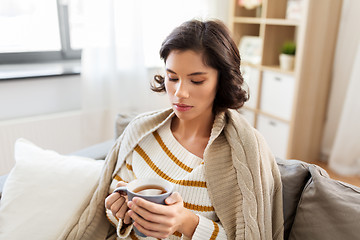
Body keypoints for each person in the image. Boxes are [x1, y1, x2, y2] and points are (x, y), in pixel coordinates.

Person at [62, 19, 283, 240]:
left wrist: (187, 223)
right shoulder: (141, 133)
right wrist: (118, 212)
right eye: (172, 77)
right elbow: (113, 210)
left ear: (222, 81)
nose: (179, 93)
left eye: (196, 81)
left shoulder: (243, 154)